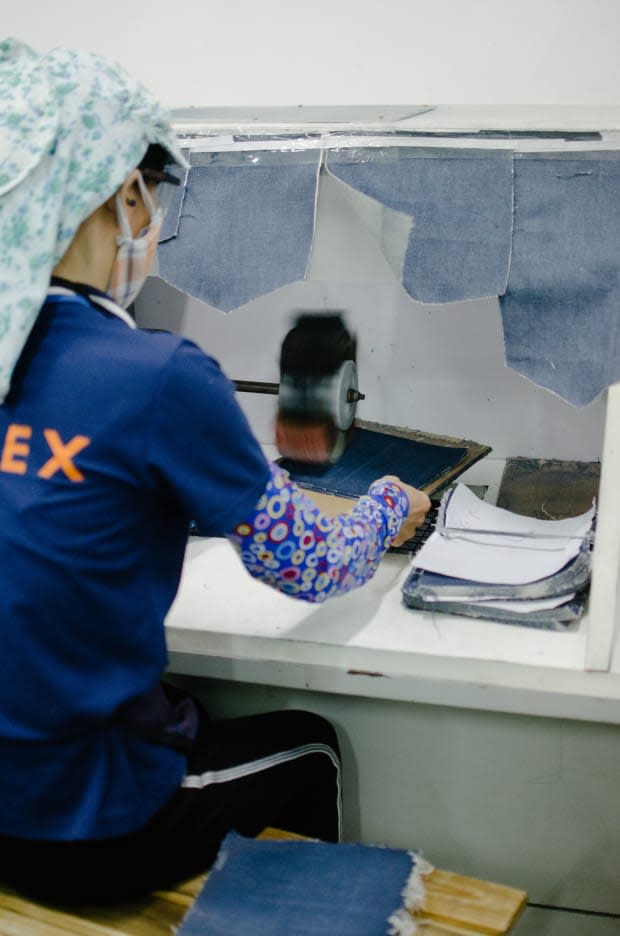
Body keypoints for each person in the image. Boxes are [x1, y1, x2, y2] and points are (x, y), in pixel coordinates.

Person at [0, 39, 431, 903]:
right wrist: (388, 505)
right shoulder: (155, 375)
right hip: (80, 823)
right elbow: (310, 565)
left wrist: (207, 497)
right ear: (126, 193)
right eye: (156, 199)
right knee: (308, 742)